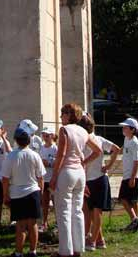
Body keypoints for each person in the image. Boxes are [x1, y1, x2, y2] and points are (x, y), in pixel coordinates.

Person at [49, 104, 102, 257]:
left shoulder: (65, 130)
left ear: (69, 114)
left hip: (67, 172)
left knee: (64, 212)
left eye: (62, 114)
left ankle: (65, 251)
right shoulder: (83, 131)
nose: (60, 117)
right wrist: (83, 162)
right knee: (77, 211)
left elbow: (61, 155)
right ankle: (78, 248)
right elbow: (97, 151)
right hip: (80, 173)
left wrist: (54, 177)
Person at [1, 127, 46, 257]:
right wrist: (41, 193)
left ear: (16, 140)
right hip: (33, 192)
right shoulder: (35, 155)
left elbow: (5, 178)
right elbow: (41, 177)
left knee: (20, 225)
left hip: (17, 193)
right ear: (29, 140)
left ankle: (19, 253)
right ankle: (33, 251)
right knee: (33, 224)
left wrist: (5, 195)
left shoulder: (11, 156)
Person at [79, 115, 120, 251]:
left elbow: (116, 149)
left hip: (96, 179)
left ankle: (92, 242)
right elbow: (116, 149)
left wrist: (107, 167)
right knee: (91, 212)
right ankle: (100, 240)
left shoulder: (86, 141)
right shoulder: (99, 139)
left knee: (96, 212)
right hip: (95, 179)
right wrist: (108, 165)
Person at [118, 117, 138, 232]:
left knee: (123, 198)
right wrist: (118, 150)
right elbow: (124, 148)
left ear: (132, 130)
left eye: (125, 127)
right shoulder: (126, 139)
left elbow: (137, 161)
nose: (123, 129)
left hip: (134, 175)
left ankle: (134, 219)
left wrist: (133, 178)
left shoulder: (135, 143)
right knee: (132, 200)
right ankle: (135, 223)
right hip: (128, 174)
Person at [39, 127, 58, 231]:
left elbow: (58, 162)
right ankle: (44, 222)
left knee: (56, 202)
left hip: (52, 178)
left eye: (47, 135)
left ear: (52, 136)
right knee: (44, 202)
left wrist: (49, 163)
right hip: (44, 179)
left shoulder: (55, 148)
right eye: (44, 135)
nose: (45, 138)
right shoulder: (41, 148)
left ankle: (57, 221)